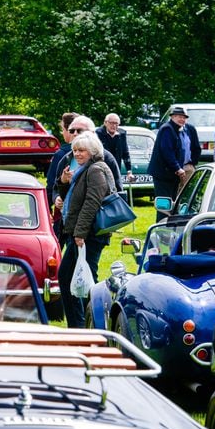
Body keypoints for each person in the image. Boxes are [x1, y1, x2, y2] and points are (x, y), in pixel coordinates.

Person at [55, 131, 113, 327]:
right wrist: (63, 182)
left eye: (82, 151)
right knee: (77, 278)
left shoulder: (96, 169)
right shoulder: (81, 170)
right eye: (75, 150)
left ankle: (86, 324)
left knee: (78, 279)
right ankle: (84, 324)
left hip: (89, 235)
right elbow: (70, 200)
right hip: (79, 233)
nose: (77, 154)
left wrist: (80, 233)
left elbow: (92, 202)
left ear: (93, 151)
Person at [148, 106, 200, 201]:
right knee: (165, 202)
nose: (182, 119)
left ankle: (171, 216)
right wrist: (177, 168)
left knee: (174, 201)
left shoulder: (177, 129)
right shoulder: (167, 129)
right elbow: (167, 151)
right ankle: (163, 217)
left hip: (173, 173)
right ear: (172, 117)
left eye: (184, 117)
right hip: (163, 174)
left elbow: (195, 148)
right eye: (179, 117)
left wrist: (192, 164)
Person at [96, 113, 131, 177]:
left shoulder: (122, 134)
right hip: (101, 169)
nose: (114, 126)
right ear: (105, 123)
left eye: (116, 123)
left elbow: (125, 153)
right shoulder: (98, 134)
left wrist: (129, 171)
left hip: (116, 168)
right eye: (111, 123)